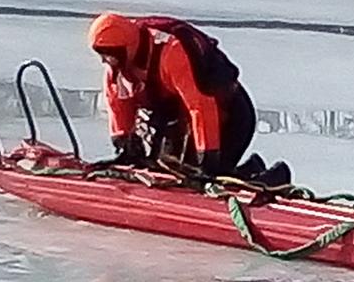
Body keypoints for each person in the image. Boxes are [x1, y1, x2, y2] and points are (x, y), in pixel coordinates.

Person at [87, 12, 287, 183]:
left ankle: (272, 178)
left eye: (109, 54)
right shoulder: (118, 67)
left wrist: (207, 157)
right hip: (180, 120)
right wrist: (125, 144)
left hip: (228, 116)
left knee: (205, 177)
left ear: (125, 48)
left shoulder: (172, 52)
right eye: (102, 54)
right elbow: (118, 103)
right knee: (167, 170)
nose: (105, 60)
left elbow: (200, 106)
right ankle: (250, 169)